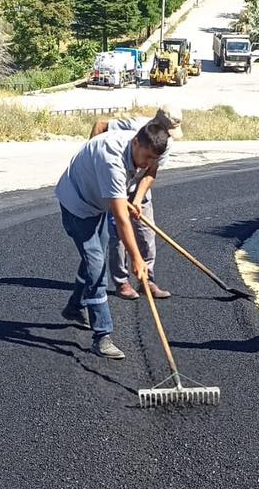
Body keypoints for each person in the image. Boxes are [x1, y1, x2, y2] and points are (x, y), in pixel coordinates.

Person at [55, 116, 174, 360]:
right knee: (97, 264)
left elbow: (147, 174)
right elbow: (121, 220)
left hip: (96, 202)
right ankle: (102, 336)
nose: (148, 164)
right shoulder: (112, 161)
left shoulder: (149, 141)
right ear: (136, 144)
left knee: (94, 255)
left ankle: (74, 307)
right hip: (76, 204)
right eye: (147, 157)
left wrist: (134, 199)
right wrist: (137, 259)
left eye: (154, 159)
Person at [87, 110, 183, 302]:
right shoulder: (134, 128)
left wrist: (138, 199)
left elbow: (151, 172)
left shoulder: (165, 144)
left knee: (147, 233)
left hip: (139, 185)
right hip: (117, 184)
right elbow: (100, 125)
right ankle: (122, 282)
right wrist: (95, 163)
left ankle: (147, 279)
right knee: (120, 235)